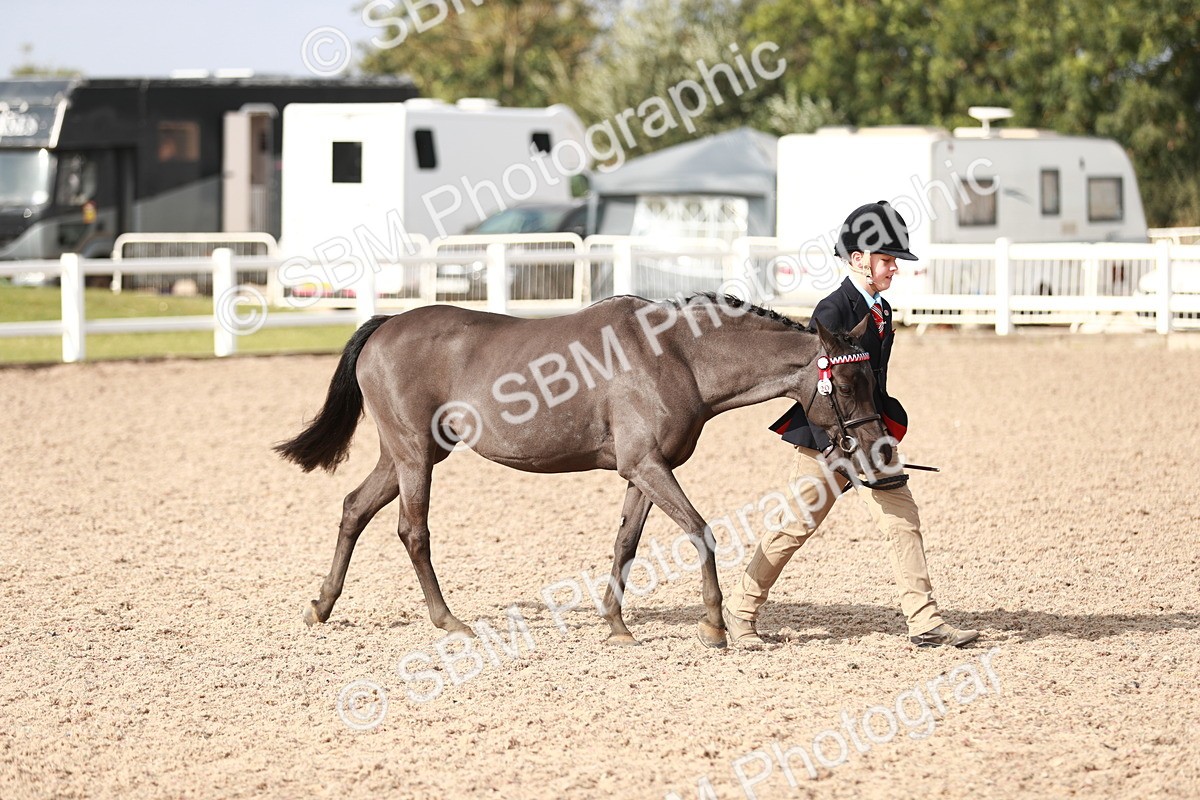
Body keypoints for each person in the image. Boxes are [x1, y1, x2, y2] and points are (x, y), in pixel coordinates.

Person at [722, 200, 979, 649]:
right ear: (858, 260)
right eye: (886, 260)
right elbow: (822, 388)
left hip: (868, 434)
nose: (893, 268)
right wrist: (840, 446)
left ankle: (924, 622)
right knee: (795, 527)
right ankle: (740, 611)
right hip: (827, 439)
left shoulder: (882, 311)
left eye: (894, 260)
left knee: (901, 519)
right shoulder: (832, 311)